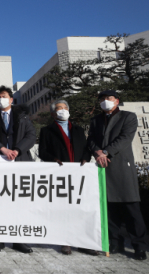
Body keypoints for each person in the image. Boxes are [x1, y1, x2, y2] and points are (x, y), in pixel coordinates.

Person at [87, 90, 147, 261]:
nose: (105, 101)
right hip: (103, 166)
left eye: (109, 99)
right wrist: (97, 151)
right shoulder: (96, 120)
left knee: (131, 209)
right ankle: (114, 242)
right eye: (102, 99)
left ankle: (139, 246)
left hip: (121, 166)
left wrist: (106, 152)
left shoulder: (128, 117)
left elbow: (125, 138)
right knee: (110, 210)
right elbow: (91, 139)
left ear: (117, 101)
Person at [38, 99, 98, 256]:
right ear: (53, 113)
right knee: (63, 209)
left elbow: (86, 148)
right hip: (59, 175)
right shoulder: (47, 130)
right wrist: (53, 159)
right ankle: (65, 241)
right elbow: (43, 151)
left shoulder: (78, 129)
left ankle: (83, 241)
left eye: (65, 108)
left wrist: (86, 158)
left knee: (80, 208)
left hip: (79, 174)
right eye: (59, 108)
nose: (62, 110)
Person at [0, 85, 36, 254]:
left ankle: (19, 239)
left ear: (11, 99)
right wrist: (2, 149)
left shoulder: (23, 116)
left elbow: (31, 136)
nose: (0, 99)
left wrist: (17, 149)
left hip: (19, 163)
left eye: (3, 96)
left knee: (19, 202)